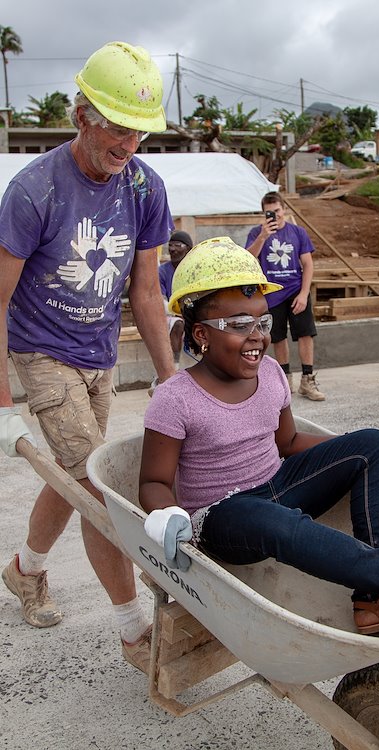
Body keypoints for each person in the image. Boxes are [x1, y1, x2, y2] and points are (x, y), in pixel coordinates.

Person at [139, 236, 379, 639]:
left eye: (263, 322)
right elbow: (153, 482)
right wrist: (169, 514)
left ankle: (372, 599)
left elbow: (288, 443)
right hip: (222, 516)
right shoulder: (176, 397)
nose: (257, 335)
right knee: (278, 523)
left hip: (277, 484)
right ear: (201, 334)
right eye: (240, 325)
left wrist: (350, 455)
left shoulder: (272, 375)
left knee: (374, 444)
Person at [0, 41, 176, 674]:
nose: (128, 143)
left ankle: (26, 570)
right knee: (98, 488)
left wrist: (169, 378)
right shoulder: (34, 191)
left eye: (139, 132)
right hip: (41, 349)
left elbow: (148, 291)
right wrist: (2, 407)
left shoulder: (143, 188)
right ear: (82, 117)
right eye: (116, 127)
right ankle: (134, 632)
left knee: (77, 474)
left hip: (98, 353)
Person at [245, 191, 325, 402]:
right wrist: (263, 236)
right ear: (263, 213)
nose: (275, 216)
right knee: (278, 337)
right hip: (271, 293)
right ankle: (285, 379)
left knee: (306, 333)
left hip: (296, 291)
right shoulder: (256, 233)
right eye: (269, 212)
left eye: (277, 211)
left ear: (284, 210)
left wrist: (304, 294)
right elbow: (248, 259)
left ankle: (308, 379)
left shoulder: (298, 232)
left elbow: (307, 264)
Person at [158, 230, 193, 365]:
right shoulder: (162, 271)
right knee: (178, 324)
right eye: (170, 245)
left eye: (178, 245)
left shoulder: (194, 270)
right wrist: (179, 313)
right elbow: (160, 301)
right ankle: (174, 365)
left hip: (190, 312)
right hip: (168, 314)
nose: (172, 249)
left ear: (188, 249)